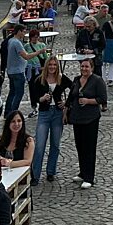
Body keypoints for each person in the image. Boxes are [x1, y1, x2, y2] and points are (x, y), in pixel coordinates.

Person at [29, 55, 71, 184]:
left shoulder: (61, 78)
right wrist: (40, 99)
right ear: (47, 66)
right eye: (50, 65)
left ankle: (51, 171)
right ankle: (35, 175)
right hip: (44, 114)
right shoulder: (39, 80)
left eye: (54, 65)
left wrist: (66, 103)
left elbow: (73, 87)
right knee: (40, 145)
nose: (52, 67)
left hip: (57, 113)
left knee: (55, 144)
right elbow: (34, 96)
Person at [67, 57, 107, 189]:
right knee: (80, 146)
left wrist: (88, 101)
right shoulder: (76, 80)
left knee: (89, 147)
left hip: (91, 118)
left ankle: (89, 176)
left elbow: (102, 98)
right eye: (82, 66)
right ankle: (83, 172)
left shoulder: (97, 80)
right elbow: (71, 96)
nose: (84, 69)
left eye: (86, 67)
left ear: (91, 68)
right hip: (78, 118)